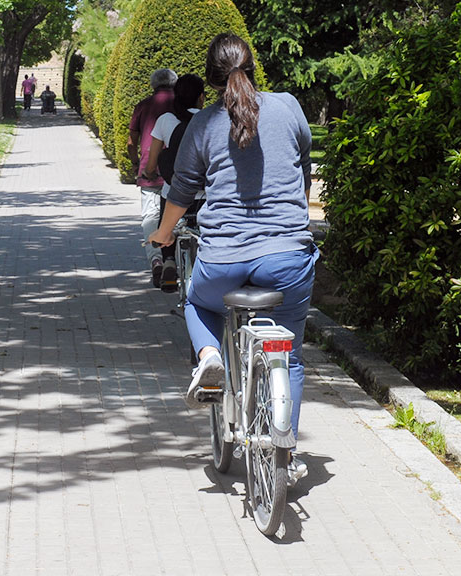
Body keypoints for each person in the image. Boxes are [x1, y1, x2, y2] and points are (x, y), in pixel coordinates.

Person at [147, 33, 315, 483]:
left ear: (211, 77)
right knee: (293, 357)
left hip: (223, 260)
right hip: (287, 259)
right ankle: (287, 450)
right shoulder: (288, 107)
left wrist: (163, 236)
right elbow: (302, 168)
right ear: (252, 65)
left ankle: (209, 357)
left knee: (197, 303)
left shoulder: (203, 123)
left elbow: (181, 189)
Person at [140, 73, 206, 292]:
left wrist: (149, 173)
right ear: (202, 97)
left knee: (166, 222)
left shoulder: (166, 120)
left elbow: (153, 158)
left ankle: (168, 261)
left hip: (175, 192)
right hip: (206, 194)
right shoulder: (211, 119)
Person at [127, 68, 176, 288]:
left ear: (152, 84)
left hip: (149, 170)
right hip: (177, 170)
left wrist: (136, 162)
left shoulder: (143, 106)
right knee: (177, 216)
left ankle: (155, 259)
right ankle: (172, 260)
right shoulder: (181, 103)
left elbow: (131, 140)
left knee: (149, 217)